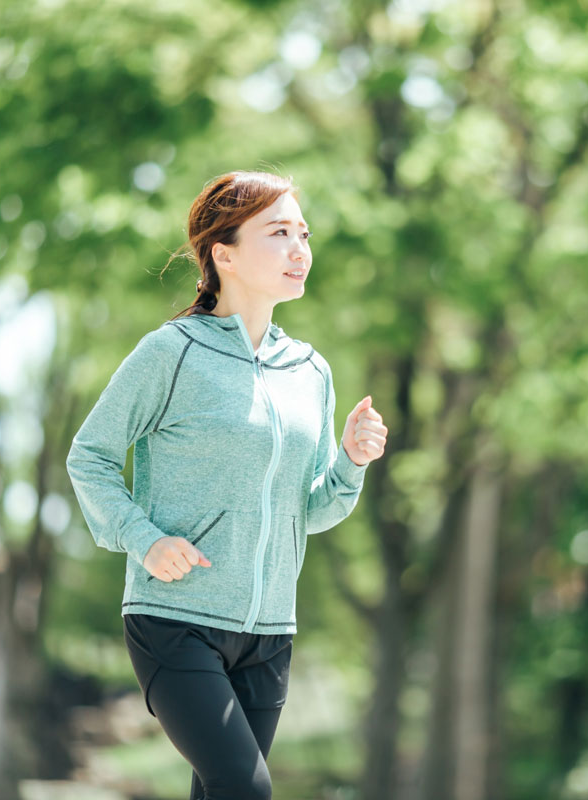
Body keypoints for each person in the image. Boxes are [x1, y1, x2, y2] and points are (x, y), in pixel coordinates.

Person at [65, 170, 388, 799]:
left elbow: (312, 510)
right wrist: (144, 539)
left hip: (269, 632)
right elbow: (91, 457)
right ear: (225, 253)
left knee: (219, 793)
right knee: (245, 788)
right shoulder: (172, 353)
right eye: (279, 233)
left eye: (303, 233)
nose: (301, 249)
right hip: (175, 617)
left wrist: (350, 461)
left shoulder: (310, 372)